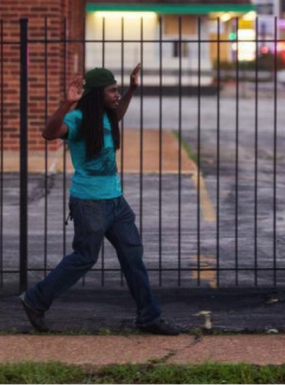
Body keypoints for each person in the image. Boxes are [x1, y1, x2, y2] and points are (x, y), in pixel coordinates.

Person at [19, 65, 180, 335]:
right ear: (97, 94)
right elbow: (49, 133)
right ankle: (35, 300)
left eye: (117, 90)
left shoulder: (106, 115)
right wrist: (67, 103)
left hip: (116, 201)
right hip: (89, 202)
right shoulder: (78, 118)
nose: (116, 95)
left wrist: (131, 90)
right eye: (112, 90)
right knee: (84, 257)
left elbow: (118, 114)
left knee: (133, 257)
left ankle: (149, 317)